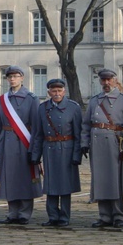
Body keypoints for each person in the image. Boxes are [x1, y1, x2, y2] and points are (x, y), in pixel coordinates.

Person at [81, 68, 123, 228]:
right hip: (97, 145)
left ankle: (119, 215)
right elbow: (86, 124)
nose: (106, 83)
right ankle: (104, 215)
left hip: (115, 145)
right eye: (103, 80)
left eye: (109, 79)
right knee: (100, 180)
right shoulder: (94, 100)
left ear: (115, 80)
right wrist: (84, 143)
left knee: (115, 181)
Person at [31, 79, 82, 227]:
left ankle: (65, 217)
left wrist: (77, 155)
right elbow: (38, 134)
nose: (57, 93)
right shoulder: (42, 108)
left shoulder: (73, 108)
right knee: (50, 184)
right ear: (49, 93)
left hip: (67, 149)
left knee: (65, 186)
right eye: (54, 91)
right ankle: (52, 216)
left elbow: (78, 134)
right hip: (49, 149)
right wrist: (35, 155)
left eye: (60, 91)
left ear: (64, 91)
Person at [0, 66, 41, 225]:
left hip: (24, 142)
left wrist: (34, 149)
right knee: (10, 179)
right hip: (6, 143)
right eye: (10, 77)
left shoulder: (31, 98)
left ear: (22, 78)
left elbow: (36, 126)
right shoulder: (3, 99)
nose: (12, 79)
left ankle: (24, 213)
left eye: (15, 76)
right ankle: (12, 212)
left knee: (25, 178)